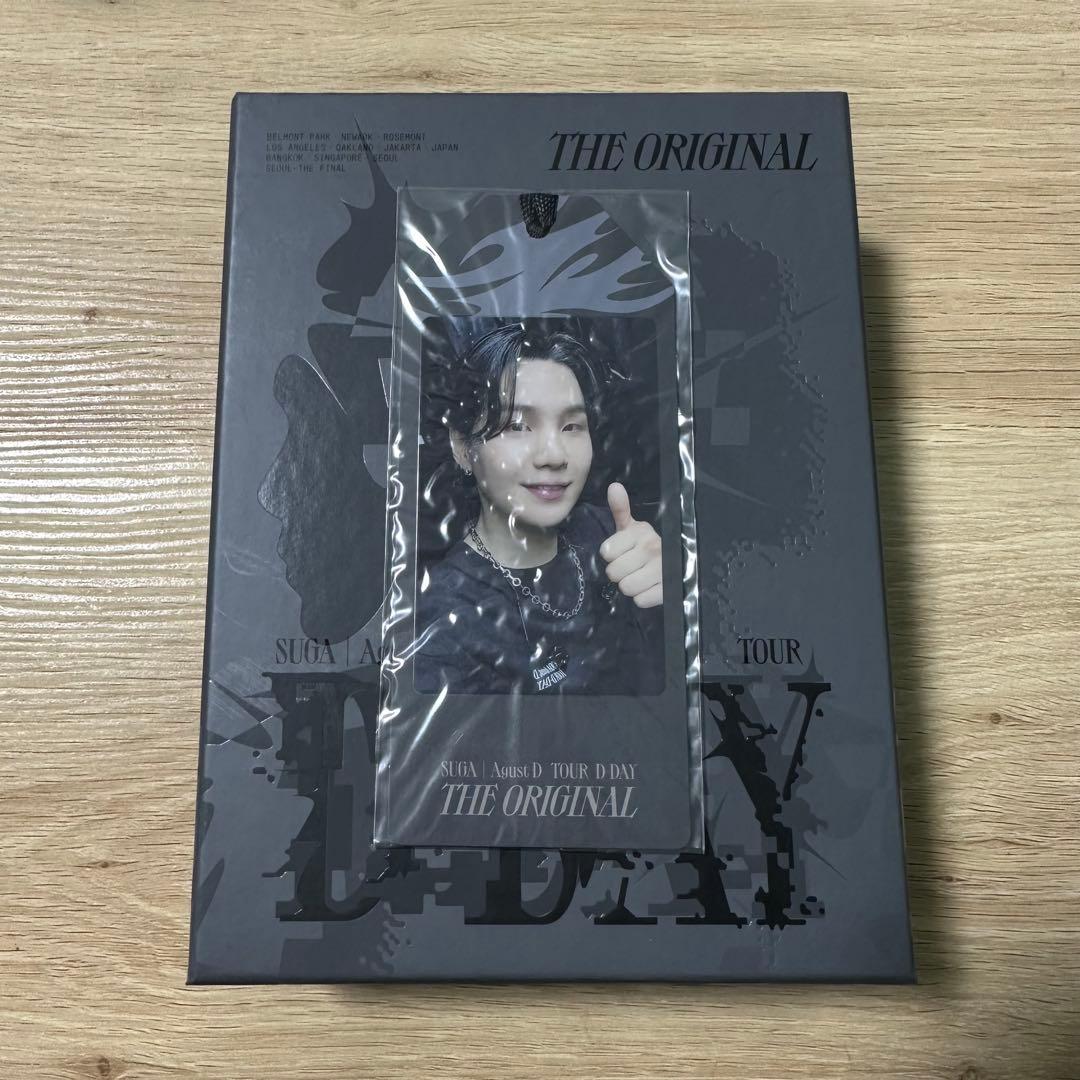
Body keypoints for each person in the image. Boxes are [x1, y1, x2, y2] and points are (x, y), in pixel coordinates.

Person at [413, 320, 666, 695]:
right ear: (463, 448)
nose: (553, 455)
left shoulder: (613, 535)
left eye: (572, 427)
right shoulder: (444, 619)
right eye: (518, 426)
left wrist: (674, 591)